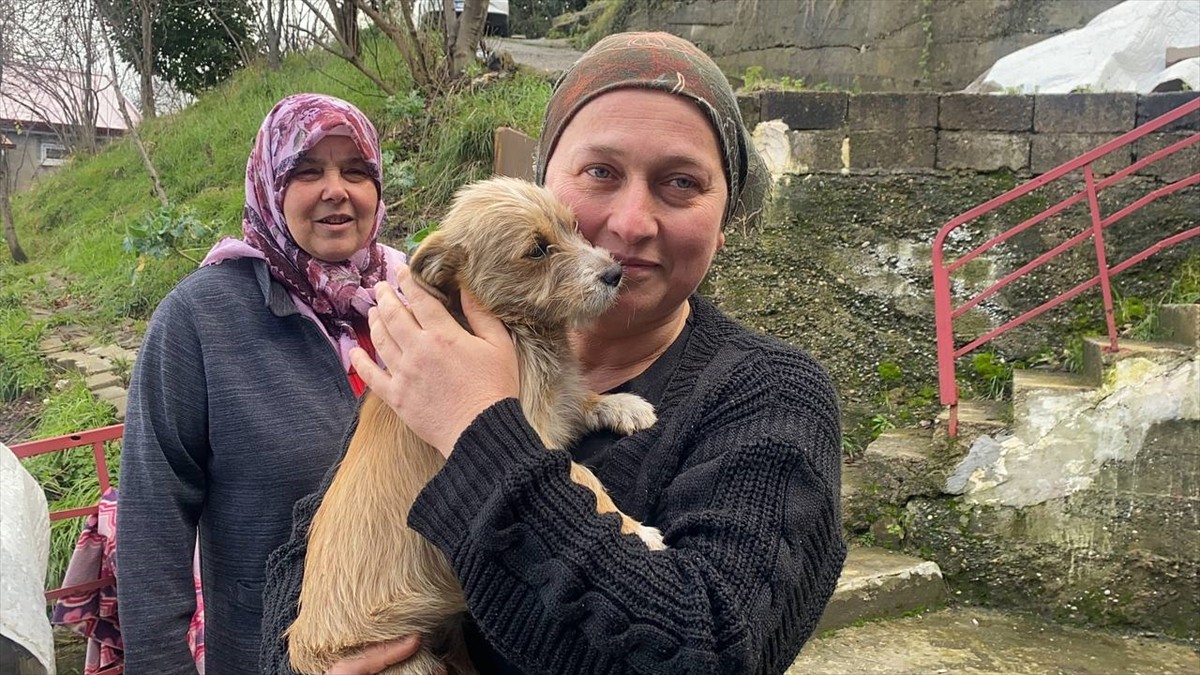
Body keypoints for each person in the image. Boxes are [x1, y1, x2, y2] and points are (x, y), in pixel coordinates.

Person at [262, 31, 846, 674]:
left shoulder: (771, 396)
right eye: (600, 172)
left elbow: (714, 653)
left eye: (682, 182)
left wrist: (477, 428)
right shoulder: (428, 360)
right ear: (542, 183)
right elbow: (304, 559)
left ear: (725, 217)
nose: (630, 224)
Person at [116, 93, 405, 673]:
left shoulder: (413, 300)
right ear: (269, 186)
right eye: (307, 171)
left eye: (356, 171)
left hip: (426, 643)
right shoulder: (201, 319)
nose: (336, 190)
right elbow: (153, 518)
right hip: (273, 653)